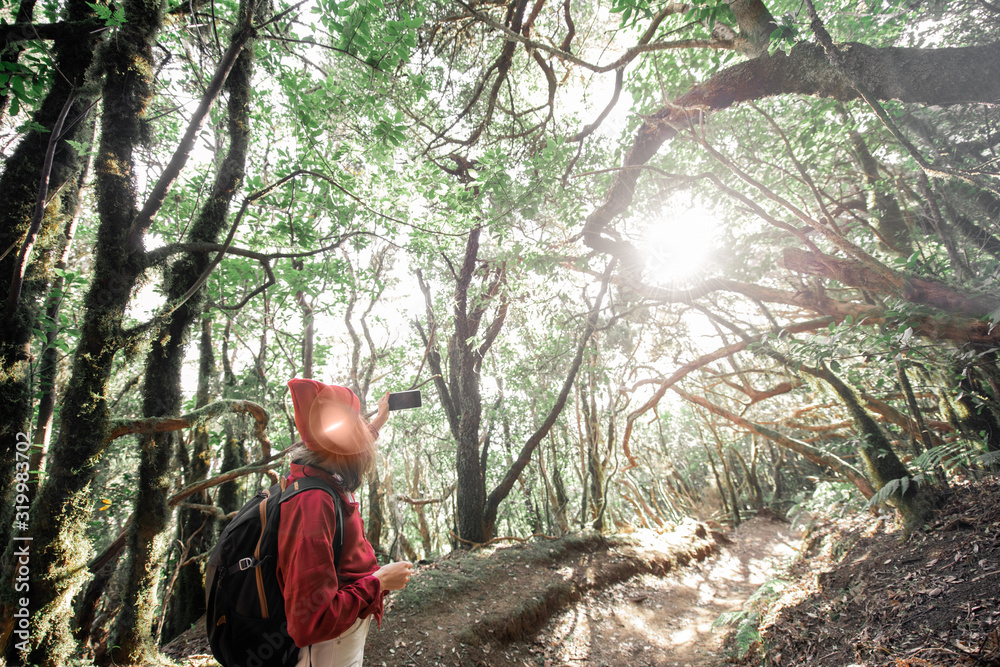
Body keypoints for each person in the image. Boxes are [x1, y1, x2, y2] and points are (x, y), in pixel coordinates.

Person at [278, 378, 413, 667]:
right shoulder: (314, 503)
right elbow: (309, 623)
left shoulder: (321, 471)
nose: (365, 438)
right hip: (330, 646)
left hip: (343, 631)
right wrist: (379, 582)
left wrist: (380, 418)